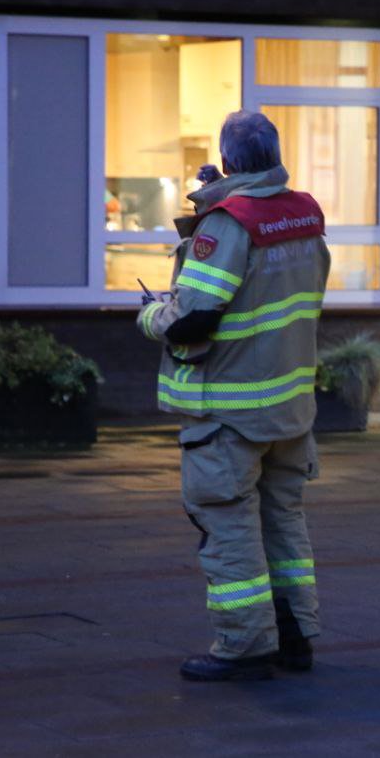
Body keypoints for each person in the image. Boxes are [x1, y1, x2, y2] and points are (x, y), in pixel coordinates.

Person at [136, 110, 331, 681]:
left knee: (229, 528)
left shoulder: (229, 223)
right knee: (284, 526)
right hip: (289, 408)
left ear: (226, 162)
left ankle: (245, 648)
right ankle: (296, 639)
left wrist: (149, 316)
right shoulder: (303, 215)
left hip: (229, 411)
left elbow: (191, 319)